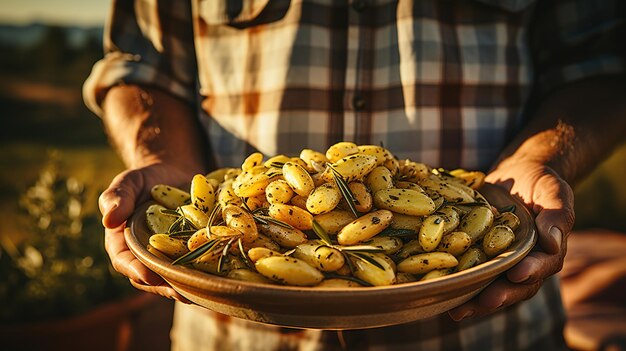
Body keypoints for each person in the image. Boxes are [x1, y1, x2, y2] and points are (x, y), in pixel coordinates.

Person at [83, 0, 625, 349]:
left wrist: (541, 161)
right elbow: (141, 63)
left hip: (491, 330)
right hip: (234, 329)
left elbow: (604, 62)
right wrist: (162, 158)